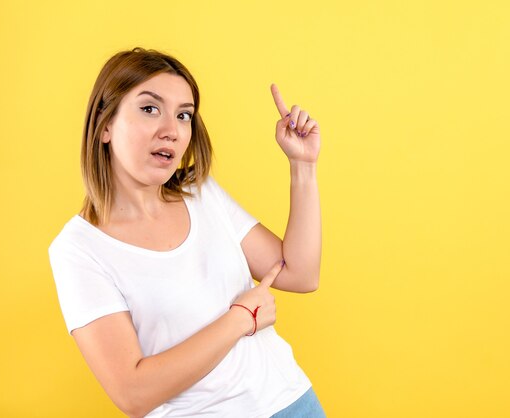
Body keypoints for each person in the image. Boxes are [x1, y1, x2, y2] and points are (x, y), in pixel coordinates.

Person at [48, 47, 324, 418]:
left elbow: (301, 274)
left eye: (183, 115)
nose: (171, 130)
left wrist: (302, 166)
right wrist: (241, 318)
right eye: (149, 109)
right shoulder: (78, 249)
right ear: (105, 124)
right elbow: (133, 394)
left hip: (293, 403)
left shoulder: (201, 192)